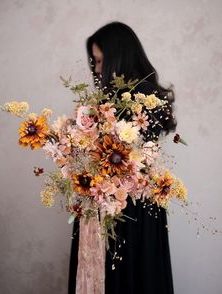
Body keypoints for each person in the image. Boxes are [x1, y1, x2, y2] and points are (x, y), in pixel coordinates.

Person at [68, 21, 176, 294]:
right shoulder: (107, 101)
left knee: (129, 277)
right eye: (94, 62)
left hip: (132, 210)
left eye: (101, 61)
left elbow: (133, 158)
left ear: (120, 57)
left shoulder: (145, 100)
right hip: (106, 202)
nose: (98, 69)